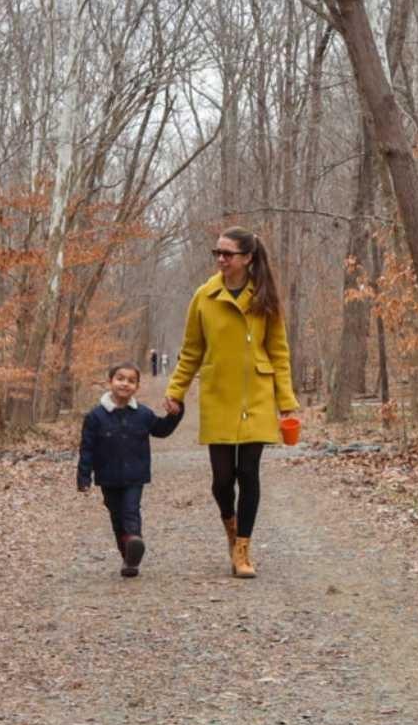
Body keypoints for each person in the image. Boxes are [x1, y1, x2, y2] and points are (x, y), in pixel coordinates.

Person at [164, 227, 297, 579]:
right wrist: (176, 390)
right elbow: (191, 350)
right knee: (222, 480)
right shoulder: (204, 297)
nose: (221, 259)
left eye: (228, 254)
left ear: (248, 258)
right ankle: (230, 526)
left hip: (257, 394)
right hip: (219, 395)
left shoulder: (265, 297)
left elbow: (279, 352)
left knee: (248, 474)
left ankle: (243, 549)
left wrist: (286, 401)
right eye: (217, 253)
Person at [77, 362, 182, 577]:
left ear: (137, 387)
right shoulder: (95, 417)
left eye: (131, 381)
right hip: (107, 476)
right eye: (120, 379)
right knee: (117, 517)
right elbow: (87, 448)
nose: (125, 384)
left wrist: (175, 415)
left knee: (130, 510)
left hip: (135, 474)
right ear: (110, 382)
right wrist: (84, 477)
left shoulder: (142, 414)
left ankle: (135, 539)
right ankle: (128, 557)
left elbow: (161, 430)